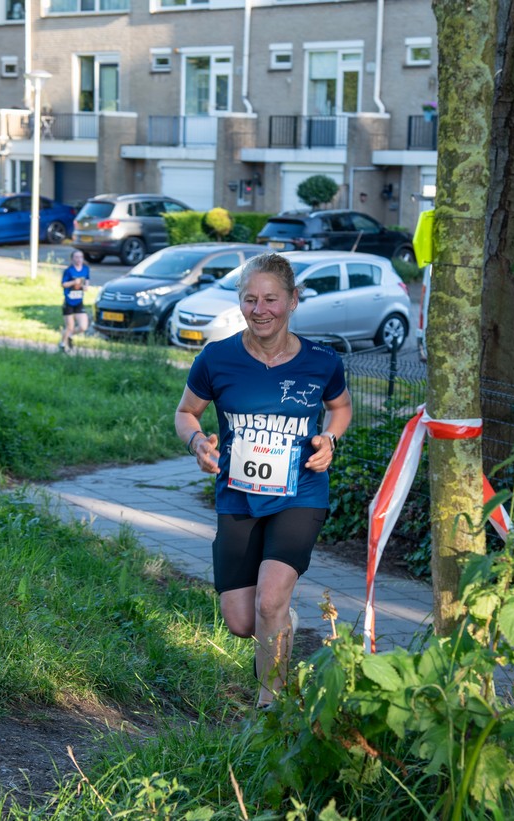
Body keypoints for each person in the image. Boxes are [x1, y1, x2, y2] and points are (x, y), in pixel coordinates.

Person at [174, 252, 352, 708]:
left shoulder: (322, 362)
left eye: (271, 299)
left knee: (269, 601)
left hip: (300, 494)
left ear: (293, 300)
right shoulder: (217, 359)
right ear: (241, 303)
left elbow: (341, 407)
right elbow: (186, 412)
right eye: (251, 299)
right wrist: (198, 444)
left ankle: (270, 706)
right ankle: (278, 622)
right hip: (237, 496)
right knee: (240, 619)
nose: (260, 309)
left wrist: (330, 439)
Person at [60, 249, 90, 352]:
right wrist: (73, 282)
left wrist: (86, 286)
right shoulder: (68, 271)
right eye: (76, 257)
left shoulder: (85, 269)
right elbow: (63, 284)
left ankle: (70, 336)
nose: (79, 259)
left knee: (83, 326)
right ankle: (62, 344)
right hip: (69, 302)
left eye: (81, 257)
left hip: (79, 302)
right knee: (70, 326)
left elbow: (87, 281)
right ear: (72, 259)